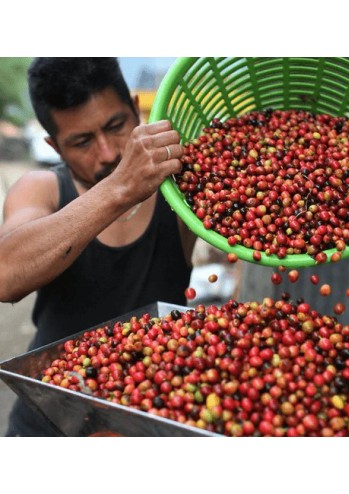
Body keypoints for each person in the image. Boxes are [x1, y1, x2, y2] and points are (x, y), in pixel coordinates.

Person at [0, 58, 197, 436]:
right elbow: (6, 275)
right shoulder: (41, 187)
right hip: (51, 417)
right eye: (82, 141)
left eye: (116, 126)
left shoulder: (179, 188)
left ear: (136, 111)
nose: (107, 154)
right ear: (54, 145)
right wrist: (120, 188)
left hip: (155, 413)